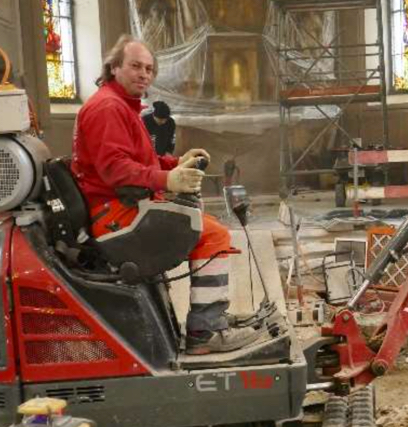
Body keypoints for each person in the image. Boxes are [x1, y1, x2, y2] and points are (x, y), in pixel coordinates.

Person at [71, 34, 264, 355]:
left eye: (149, 68)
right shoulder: (108, 108)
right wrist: (168, 180)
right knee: (213, 234)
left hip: (122, 208)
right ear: (114, 68)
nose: (144, 73)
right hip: (117, 217)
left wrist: (176, 163)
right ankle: (205, 332)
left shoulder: (121, 105)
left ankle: (212, 316)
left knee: (205, 225)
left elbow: (139, 161)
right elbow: (116, 170)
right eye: (135, 66)